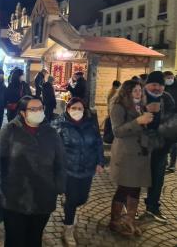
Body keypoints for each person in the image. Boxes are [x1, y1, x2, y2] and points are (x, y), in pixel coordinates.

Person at [0, 96, 66, 247]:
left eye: (40, 108)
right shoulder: (9, 131)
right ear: (23, 113)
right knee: (14, 238)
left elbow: (61, 162)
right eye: (33, 109)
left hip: (43, 197)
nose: (38, 112)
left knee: (34, 238)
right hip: (14, 197)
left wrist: (59, 187)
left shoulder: (51, 133)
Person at [52, 97, 104, 246]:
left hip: (87, 168)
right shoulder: (59, 125)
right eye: (73, 108)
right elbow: (53, 148)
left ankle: (69, 205)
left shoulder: (91, 125)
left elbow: (98, 144)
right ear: (67, 109)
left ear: (84, 110)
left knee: (82, 198)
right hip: (69, 169)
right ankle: (68, 229)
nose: (76, 111)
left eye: (80, 108)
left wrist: (100, 161)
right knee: (73, 200)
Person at [108, 80, 153, 236]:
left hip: (141, 155)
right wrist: (137, 121)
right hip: (127, 155)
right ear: (126, 92)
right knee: (124, 188)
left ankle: (129, 219)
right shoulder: (118, 107)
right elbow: (117, 131)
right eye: (134, 91)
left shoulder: (141, 106)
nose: (138, 94)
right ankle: (114, 221)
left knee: (136, 188)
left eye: (140, 90)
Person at [141, 71, 174, 223]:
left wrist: (161, 131)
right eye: (154, 84)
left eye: (160, 85)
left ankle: (152, 207)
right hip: (140, 147)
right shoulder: (139, 96)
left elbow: (174, 120)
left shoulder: (167, 98)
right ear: (147, 84)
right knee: (134, 178)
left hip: (161, 147)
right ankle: (130, 206)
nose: (157, 88)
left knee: (158, 178)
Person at [163, 71, 177, 172]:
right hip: (164, 119)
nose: (170, 80)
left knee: (174, 143)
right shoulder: (161, 87)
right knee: (163, 142)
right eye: (168, 78)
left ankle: (172, 163)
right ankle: (164, 161)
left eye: (171, 78)